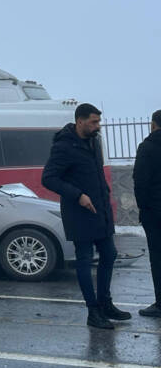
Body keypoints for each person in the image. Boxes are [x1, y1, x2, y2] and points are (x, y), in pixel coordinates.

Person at [42, 103, 130, 329]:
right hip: (79, 212)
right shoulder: (64, 146)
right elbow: (49, 178)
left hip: (99, 209)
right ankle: (93, 312)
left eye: (98, 121)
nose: (97, 125)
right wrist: (78, 195)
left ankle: (105, 304)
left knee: (109, 254)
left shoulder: (93, 141)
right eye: (93, 122)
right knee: (84, 259)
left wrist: (105, 197)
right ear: (79, 121)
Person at [134, 109, 161, 317]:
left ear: (153, 125)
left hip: (155, 212)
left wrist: (144, 208)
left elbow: (140, 182)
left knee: (158, 257)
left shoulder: (148, 147)